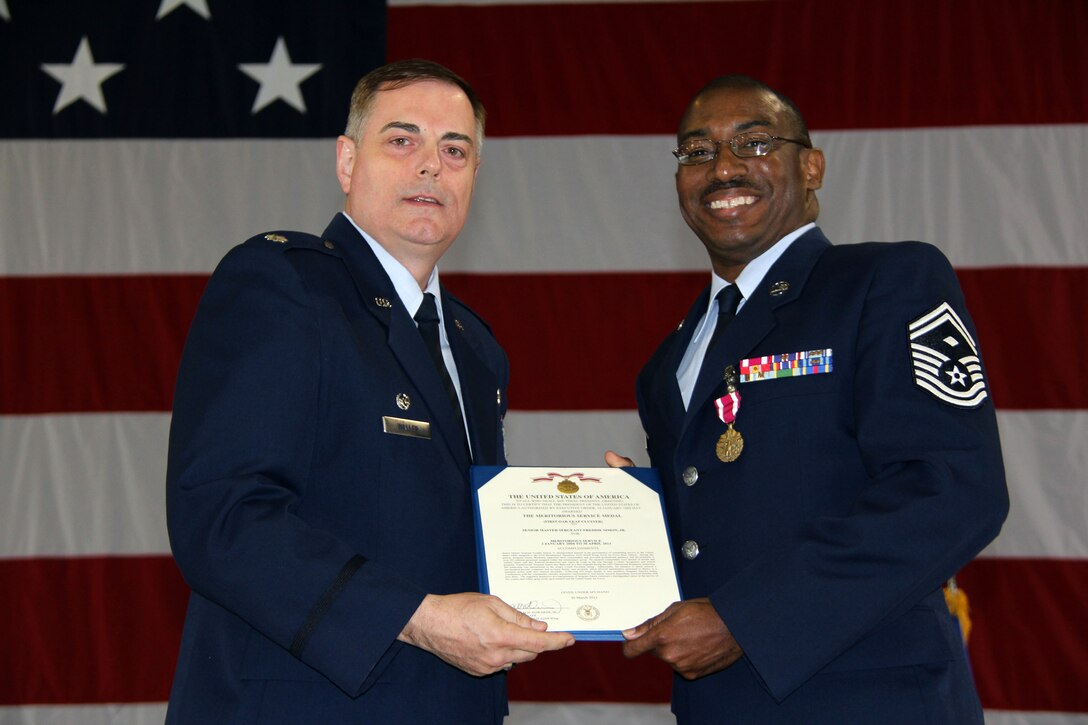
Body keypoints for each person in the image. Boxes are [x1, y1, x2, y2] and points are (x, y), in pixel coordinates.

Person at [164, 59, 574, 723]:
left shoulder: (475, 347)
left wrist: (602, 534)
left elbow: (452, 534)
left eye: (455, 150)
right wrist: (419, 618)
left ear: (474, 175)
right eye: (402, 140)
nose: (431, 165)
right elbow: (222, 516)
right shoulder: (283, 284)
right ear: (348, 161)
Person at [606, 75, 1008, 723]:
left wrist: (747, 618)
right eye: (697, 151)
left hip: (870, 701)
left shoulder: (885, 282)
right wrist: (632, 522)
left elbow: (954, 490)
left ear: (812, 167)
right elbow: (722, 525)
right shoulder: (669, 359)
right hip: (720, 705)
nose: (724, 168)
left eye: (755, 142)